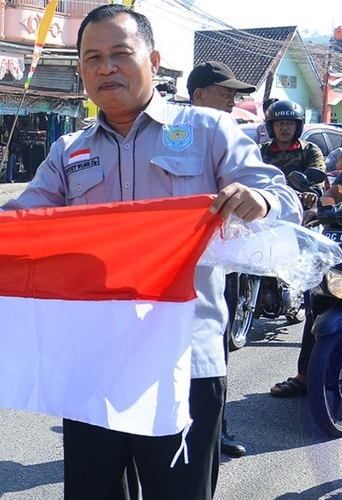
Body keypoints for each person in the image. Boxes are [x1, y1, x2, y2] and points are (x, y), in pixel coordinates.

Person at [0, 6, 301, 499]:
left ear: (154, 59)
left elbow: (285, 202)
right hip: (92, 363)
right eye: (92, 57)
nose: (106, 67)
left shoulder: (209, 132)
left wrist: (261, 200)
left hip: (183, 363)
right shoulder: (69, 151)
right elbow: (12, 225)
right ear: (80, 69)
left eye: (121, 54)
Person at [187, 60, 256, 459]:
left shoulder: (230, 136)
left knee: (217, 347)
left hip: (218, 265)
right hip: (165, 275)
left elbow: (269, 190)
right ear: (199, 95)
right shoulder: (169, 135)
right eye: (225, 91)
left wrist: (259, 200)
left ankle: (218, 429)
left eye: (235, 93)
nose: (233, 99)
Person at [263, 100, 327, 398]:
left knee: (315, 289)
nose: (284, 128)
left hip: (301, 218)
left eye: (289, 123)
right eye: (279, 123)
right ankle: (305, 376)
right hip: (265, 217)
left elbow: (318, 178)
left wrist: (311, 195)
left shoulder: (309, 150)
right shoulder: (263, 153)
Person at [187, 60, 256, 113]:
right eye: (227, 95)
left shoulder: (225, 129)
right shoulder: (181, 128)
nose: (232, 103)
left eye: (233, 96)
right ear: (199, 96)